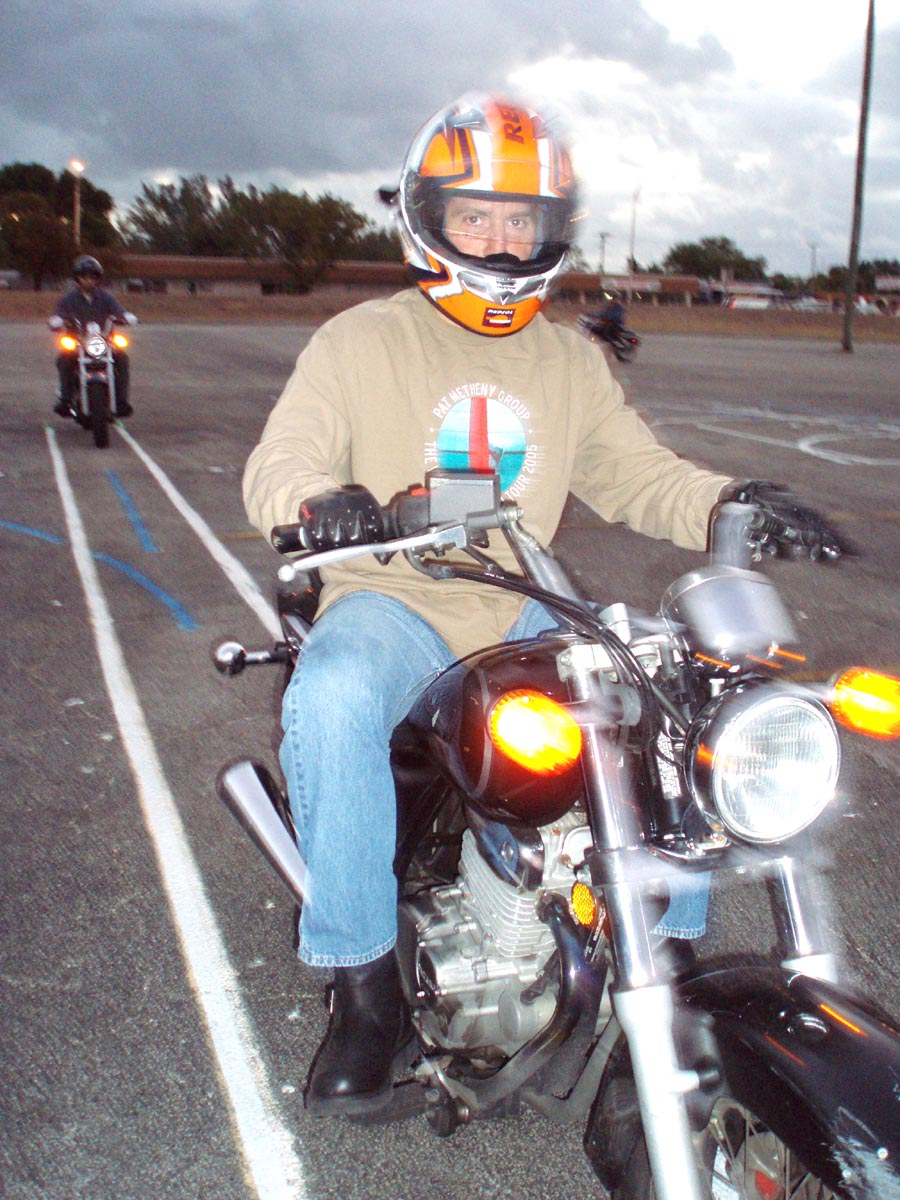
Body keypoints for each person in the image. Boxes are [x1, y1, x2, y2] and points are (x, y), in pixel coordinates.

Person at [242, 93, 843, 1118]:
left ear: (551, 229)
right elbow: (281, 459)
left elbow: (635, 472)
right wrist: (319, 501)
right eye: (475, 214)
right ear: (429, 219)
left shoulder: (568, 358)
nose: (499, 238)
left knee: (666, 687)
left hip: (521, 596)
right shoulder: (360, 340)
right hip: (393, 597)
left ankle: (670, 950)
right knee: (332, 697)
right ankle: (364, 983)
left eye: (520, 218)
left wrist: (732, 501)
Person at [52, 255, 136, 418]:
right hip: (77, 342)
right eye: (84, 277)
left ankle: (121, 402)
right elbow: (59, 314)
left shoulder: (106, 298)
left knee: (121, 358)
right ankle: (66, 400)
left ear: (98, 278)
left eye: (93, 277)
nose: (89, 280)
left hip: (103, 342)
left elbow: (119, 311)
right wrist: (56, 320)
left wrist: (127, 316)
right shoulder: (68, 299)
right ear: (77, 278)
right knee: (64, 359)